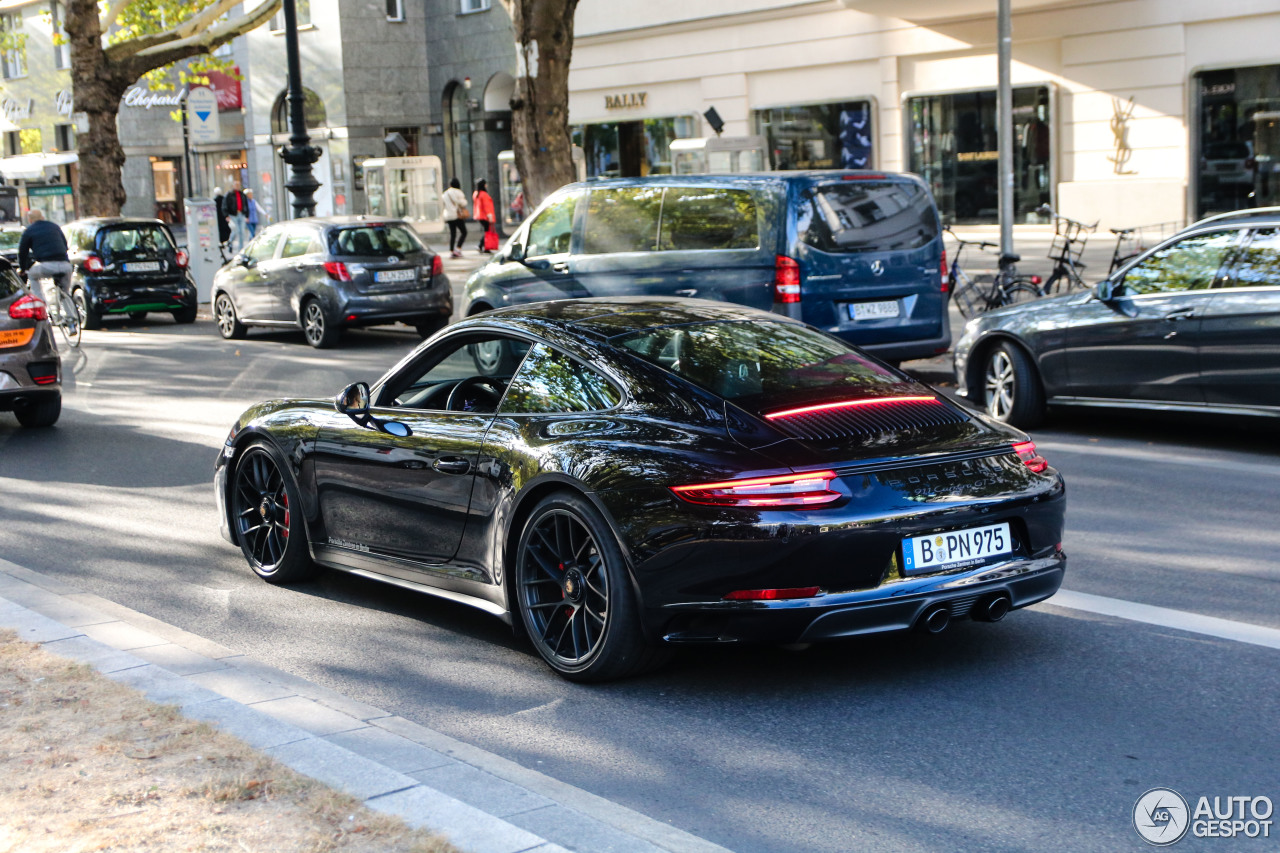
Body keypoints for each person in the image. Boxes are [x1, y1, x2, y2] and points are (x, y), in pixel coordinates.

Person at [18, 209, 72, 320]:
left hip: (46, 266)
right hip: (66, 265)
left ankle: (42, 306)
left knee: (32, 275)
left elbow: (22, 252)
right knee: (65, 292)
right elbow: (65, 246)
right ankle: (71, 319)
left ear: (30, 220)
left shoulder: (29, 231)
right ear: (43, 217)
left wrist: (23, 269)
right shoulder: (55, 226)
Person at [442, 177, 469, 258]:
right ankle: (458, 248)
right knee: (464, 232)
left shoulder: (445, 193)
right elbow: (463, 203)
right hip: (457, 215)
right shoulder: (458, 192)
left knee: (452, 234)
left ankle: (451, 251)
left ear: (450, 185)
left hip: (448, 216)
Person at [472, 179, 496, 253]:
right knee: (487, 232)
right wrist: (490, 216)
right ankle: (482, 246)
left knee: (486, 231)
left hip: (479, 215)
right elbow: (487, 206)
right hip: (485, 216)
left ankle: (484, 246)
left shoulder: (476, 194)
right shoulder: (484, 194)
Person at [223, 185, 249, 250]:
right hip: (233, 215)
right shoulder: (229, 194)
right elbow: (224, 205)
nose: (237, 186)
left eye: (238, 185)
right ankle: (230, 242)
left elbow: (246, 205)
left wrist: (247, 215)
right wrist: (226, 215)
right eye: (236, 185)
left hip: (241, 214)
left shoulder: (242, 194)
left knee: (242, 232)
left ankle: (241, 248)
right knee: (236, 230)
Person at [213, 186, 232, 252]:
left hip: (218, 218)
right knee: (226, 230)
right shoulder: (224, 199)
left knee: (220, 230)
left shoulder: (214, 200)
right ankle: (228, 242)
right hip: (224, 217)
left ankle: (222, 243)